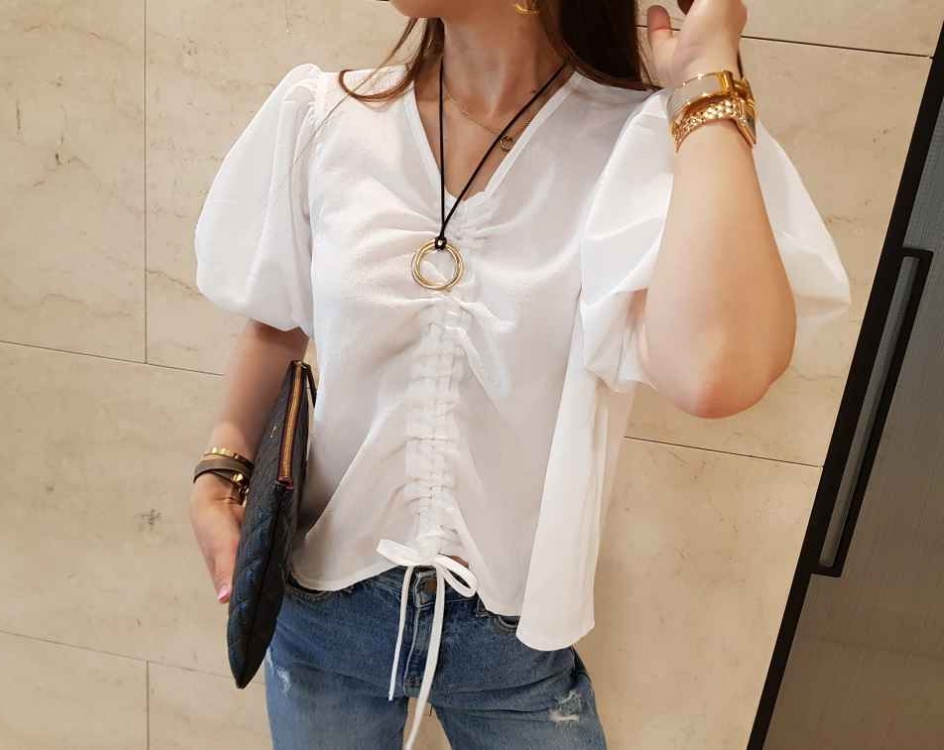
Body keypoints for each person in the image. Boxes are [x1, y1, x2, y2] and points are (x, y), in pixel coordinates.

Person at [188, 1, 852, 748]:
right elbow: (278, 323)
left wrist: (707, 73)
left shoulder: (639, 146)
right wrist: (221, 469)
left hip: (509, 645)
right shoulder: (327, 118)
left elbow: (715, 374)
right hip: (320, 616)